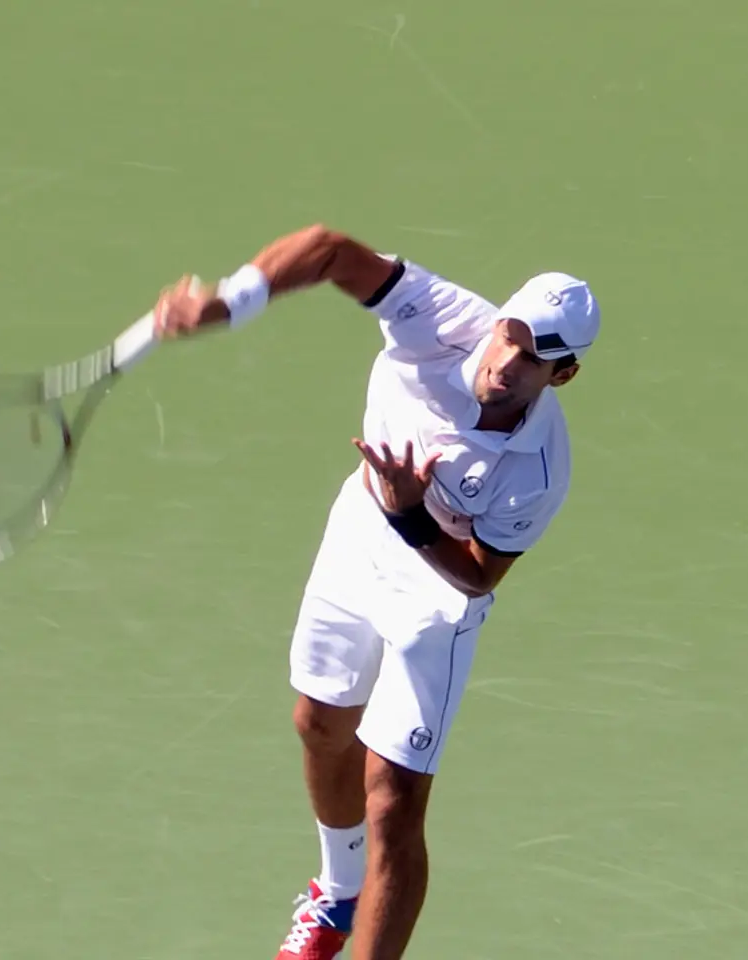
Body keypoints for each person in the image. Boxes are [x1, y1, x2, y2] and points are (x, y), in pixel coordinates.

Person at [151, 224, 601, 960]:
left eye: (533, 359)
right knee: (318, 725)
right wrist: (228, 303)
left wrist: (413, 514)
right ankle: (337, 894)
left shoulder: (539, 471)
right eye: (509, 337)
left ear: (564, 375)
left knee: (394, 800)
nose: (507, 363)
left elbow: (479, 574)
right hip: (361, 534)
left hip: (437, 596)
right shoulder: (441, 320)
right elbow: (330, 250)